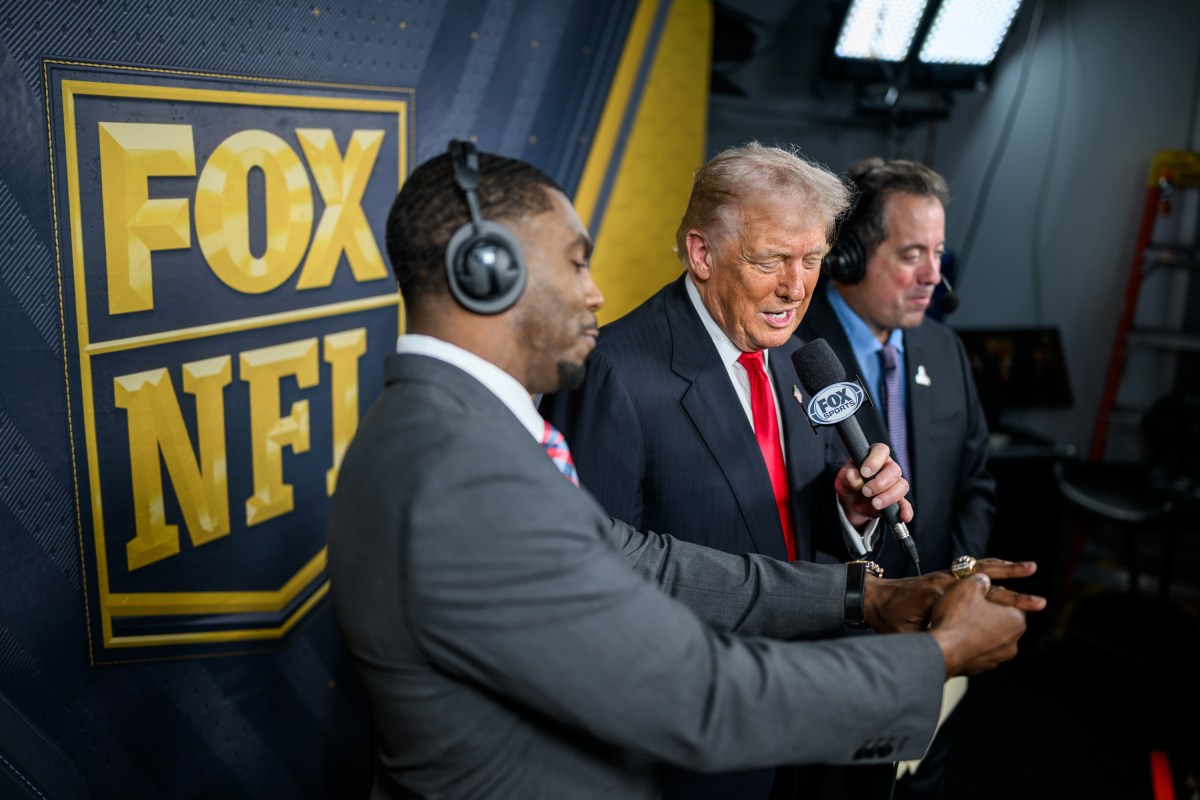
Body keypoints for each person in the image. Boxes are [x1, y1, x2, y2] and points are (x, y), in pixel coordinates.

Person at [326, 141, 1042, 800]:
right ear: (486, 275)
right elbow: (698, 696)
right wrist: (937, 658)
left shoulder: (457, 430)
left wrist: (861, 597)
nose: (596, 293)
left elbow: (648, 563)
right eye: (576, 262)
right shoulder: (460, 472)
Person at [540, 141, 912, 799]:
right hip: (695, 740)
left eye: (813, 259)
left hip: (806, 708)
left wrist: (850, 510)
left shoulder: (799, 358)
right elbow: (599, 584)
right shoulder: (615, 374)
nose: (796, 287)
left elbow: (787, 518)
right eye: (770, 260)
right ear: (702, 253)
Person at [795, 157, 997, 798]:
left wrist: (956, 584)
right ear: (849, 257)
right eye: (912, 254)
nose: (933, 277)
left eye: (939, 253)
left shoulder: (944, 349)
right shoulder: (788, 350)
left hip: (933, 641)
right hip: (832, 643)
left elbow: (976, 481)